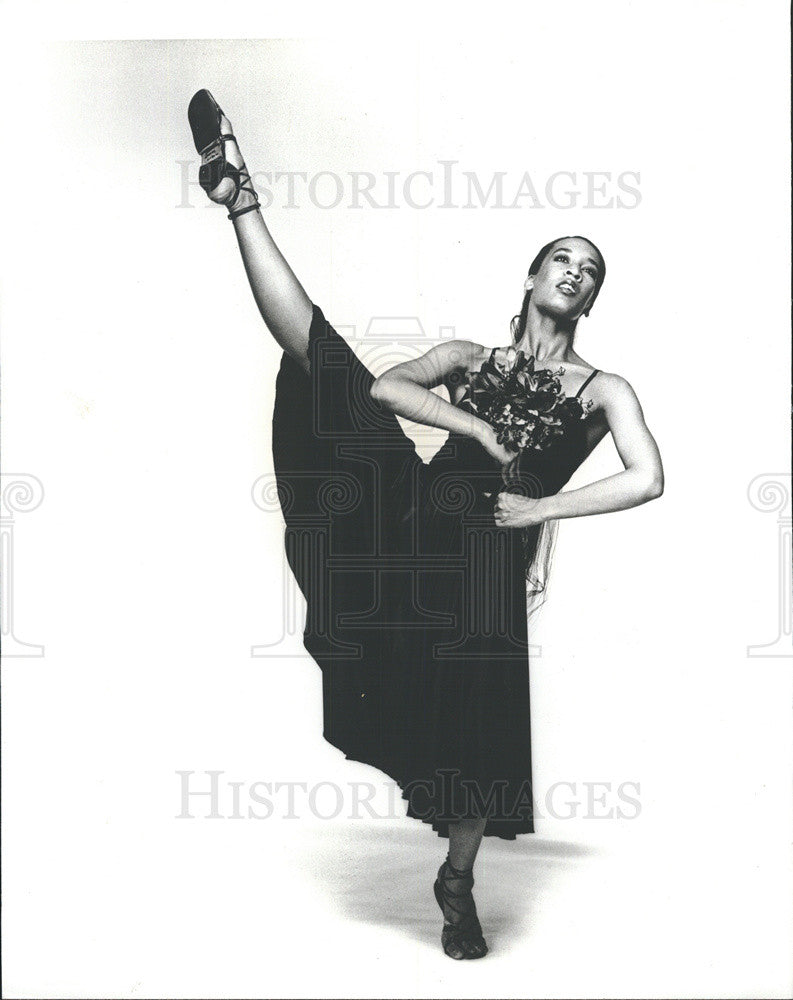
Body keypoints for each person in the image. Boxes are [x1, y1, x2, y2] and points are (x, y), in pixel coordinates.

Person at [187, 90, 664, 961]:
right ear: (528, 278)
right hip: (415, 518)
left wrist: (543, 510)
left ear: (589, 300)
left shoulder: (603, 390)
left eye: (589, 269)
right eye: (561, 257)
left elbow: (648, 479)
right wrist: (477, 426)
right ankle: (241, 201)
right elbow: (384, 390)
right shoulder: (467, 359)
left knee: (479, 730)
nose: (574, 271)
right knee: (325, 366)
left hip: (488, 556)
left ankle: (456, 881)